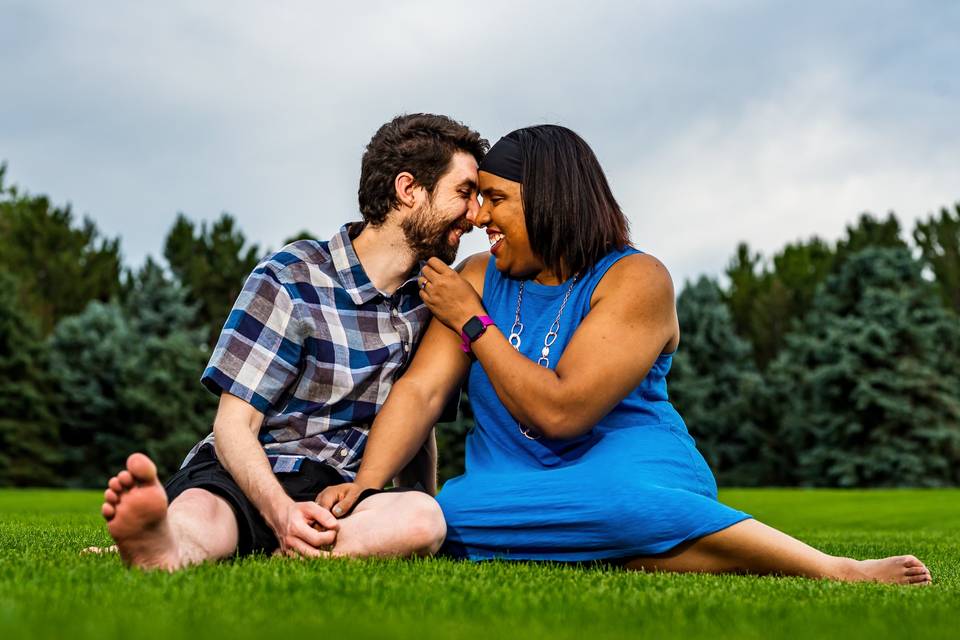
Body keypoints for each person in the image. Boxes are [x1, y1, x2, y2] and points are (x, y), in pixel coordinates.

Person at [319, 125, 932, 585]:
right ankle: (635, 551)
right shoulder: (478, 276)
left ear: (550, 201)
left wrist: (474, 324)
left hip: (630, 466)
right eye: (475, 198)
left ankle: (834, 569)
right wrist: (369, 488)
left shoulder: (636, 279)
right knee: (445, 512)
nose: (479, 217)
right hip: (510, 480)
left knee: (624, 503)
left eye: (495, 199)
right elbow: (422, 391)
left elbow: (561, 414)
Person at [97, 113, 488, 571]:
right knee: (204, 514)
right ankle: (168, 543)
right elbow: (233, 426)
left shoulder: (430, 299)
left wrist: (415, 498)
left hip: (342, 496)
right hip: (251, 474)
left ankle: (275, 544)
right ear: (408, 190)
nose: (476, 215)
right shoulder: (290, 277)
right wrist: (281, 513)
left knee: (422, 519)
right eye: (464, 193)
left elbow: (417, 423)